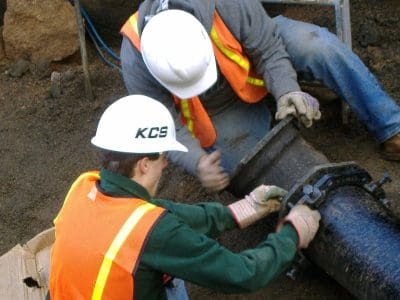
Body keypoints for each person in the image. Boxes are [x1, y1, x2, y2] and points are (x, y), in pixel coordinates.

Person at [48, 95, 321, 299]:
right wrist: (293, 234)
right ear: (144, 164)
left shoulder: (86, 185)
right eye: (163, 157)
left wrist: (240, 210)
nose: (166, 164)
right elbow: (242, 274)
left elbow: (155, 213)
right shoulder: (152, 233)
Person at [119, 0, 400, 192]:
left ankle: (390, 127)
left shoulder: (222, 4)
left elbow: (267, 48)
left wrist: (287, 89)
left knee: (318, 46)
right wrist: (197, 162)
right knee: (245, 168)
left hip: (257, 53)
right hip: (217, 110)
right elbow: (168, 125)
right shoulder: (135, 56)